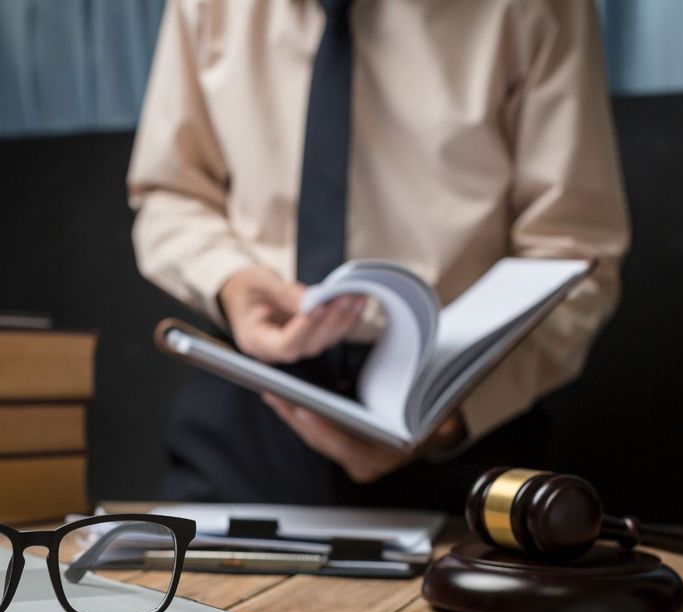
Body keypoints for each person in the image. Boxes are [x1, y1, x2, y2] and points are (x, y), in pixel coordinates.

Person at [127, 0, 629, 512]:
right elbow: (171, 193)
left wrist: (456, 412)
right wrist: (230, 280)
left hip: (459, 428)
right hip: (249, 405)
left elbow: (574, 250)